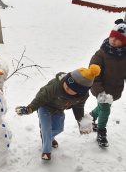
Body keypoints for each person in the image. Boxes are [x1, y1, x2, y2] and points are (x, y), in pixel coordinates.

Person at [16, 65, 101, 160]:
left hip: (58, 109)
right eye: (66, 83)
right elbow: (41, 97)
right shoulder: (55, 86)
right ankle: (46, 151)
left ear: (79, 92)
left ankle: (49, 138)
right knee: (46, 127)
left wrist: (81, 122)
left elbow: (78, 108)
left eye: (70, 88)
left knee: (59, 128)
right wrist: (30, 108)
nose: (65, 87)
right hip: (44, 106)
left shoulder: (82, 97)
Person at [89, 19, 126, 147]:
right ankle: (101, 132)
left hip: (115, 90)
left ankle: (91, 116)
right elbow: (93, 74)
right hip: (101, 89)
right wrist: (99, 92)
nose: (113, 40)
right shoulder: (101, 54)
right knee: (105, 110)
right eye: (112, 37)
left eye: (118, 38)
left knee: (103, 108)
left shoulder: (124, 57)